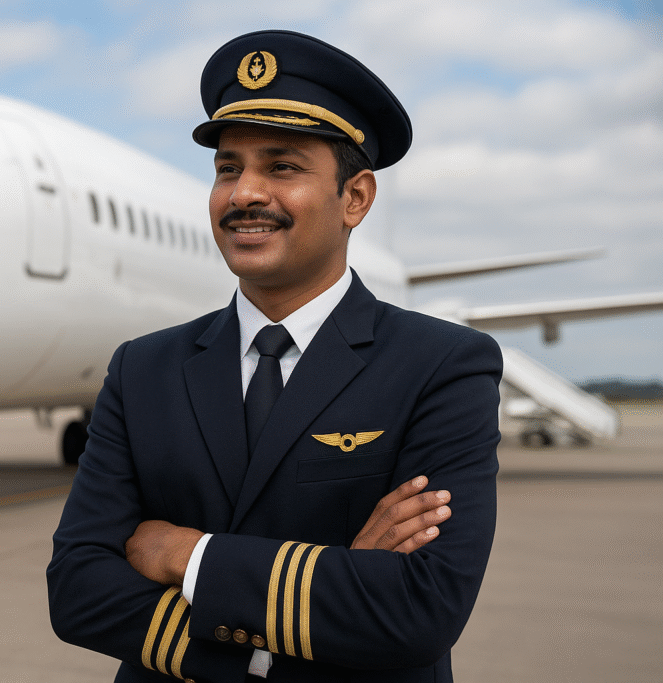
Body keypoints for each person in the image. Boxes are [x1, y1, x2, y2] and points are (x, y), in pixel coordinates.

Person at [48, 29, 501, 683]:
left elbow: (418, 609)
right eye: (228, 168)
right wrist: (330, 587)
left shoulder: (444, 364)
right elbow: (78, 590)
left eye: (282, 167)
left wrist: (186, 553)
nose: (243, 193)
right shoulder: (141, 368)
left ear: (356, 198)